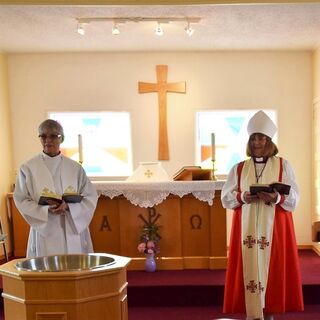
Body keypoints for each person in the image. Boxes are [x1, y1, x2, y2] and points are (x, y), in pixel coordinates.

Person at [221, 110, 304, 320]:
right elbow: (226, 198)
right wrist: (243, 196)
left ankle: (270, 313)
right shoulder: (239, 169)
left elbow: (294, 197)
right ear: (249, 141)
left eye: (262, 138)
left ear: (269, 141)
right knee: (249, 268)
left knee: (273, 267)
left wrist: (276, 198)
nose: (258, 142)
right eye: (254, 138)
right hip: (247, 227)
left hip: (274, 227)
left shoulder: (284, 165)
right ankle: (252, 312)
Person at [14, 119, 98, 258]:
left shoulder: (75, 168)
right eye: (43, 136)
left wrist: (70, 207)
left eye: (53, 135)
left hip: (71, 224)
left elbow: (90, 197)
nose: (48, 140)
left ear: (61, 138)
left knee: (74, 267)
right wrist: (44, 210)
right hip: (44, 226)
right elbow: (21, 199)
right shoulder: (28, 168)